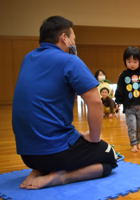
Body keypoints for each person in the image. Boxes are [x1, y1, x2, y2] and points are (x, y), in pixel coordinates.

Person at [12, 16, 117, 189]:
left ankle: (40, 170)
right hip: (54, 152)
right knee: (110, 157)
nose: (74, 43)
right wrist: (94, 137)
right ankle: (60, 177)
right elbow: (96, 102)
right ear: (64, 38)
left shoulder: (28, 58)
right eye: (73, 39)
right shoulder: (69, 60)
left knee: (71, 140)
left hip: (28, 155)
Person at [115, 46, 140, 152]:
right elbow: (120, 89)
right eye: (129, 61)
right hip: (129, 107)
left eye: (135, 61)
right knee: (131, 125)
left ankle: (138, 142)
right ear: (125, 61)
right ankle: (133, 144)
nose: (132, 64)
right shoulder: (123, 75)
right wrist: (118, 102)